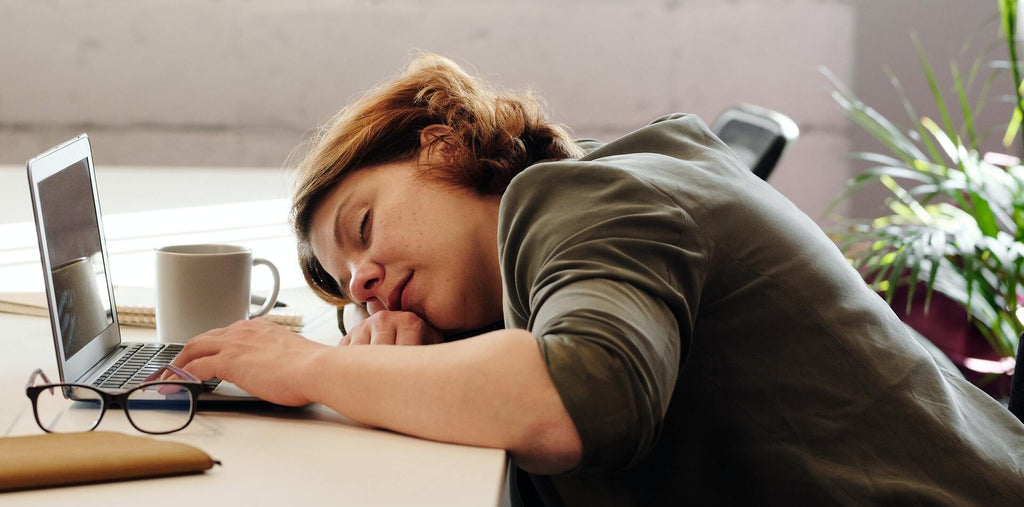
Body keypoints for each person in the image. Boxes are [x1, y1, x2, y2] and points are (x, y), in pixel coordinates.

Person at [171, 53, 1024, 505]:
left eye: (361, 228)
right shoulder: (584, 214)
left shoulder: (572, 198)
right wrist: (397, 373)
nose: (362, 280)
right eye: (346, 282)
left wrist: (318, 369)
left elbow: (588, 394)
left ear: (437, 144)